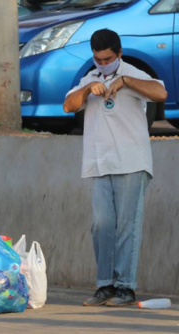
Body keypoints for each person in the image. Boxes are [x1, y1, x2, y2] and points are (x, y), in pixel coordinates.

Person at [63, 29, 167, 307]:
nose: (102, 63)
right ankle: (105, 285)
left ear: (118, 54)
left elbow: (160, 92)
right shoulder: (90, 77)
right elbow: (68, 105)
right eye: (98, 59)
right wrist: (87, 89)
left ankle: (126, 287)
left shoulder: (133, 72)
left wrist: (125, 81)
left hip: (131, 160)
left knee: (127, 226)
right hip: (99, 162)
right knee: (101, 225)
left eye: (107, 59)